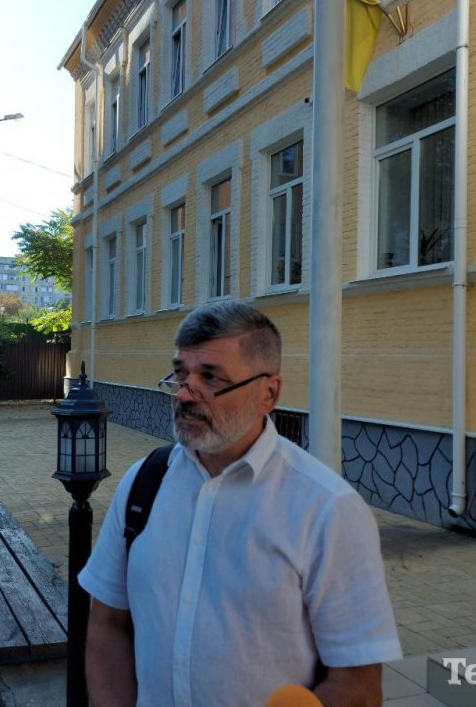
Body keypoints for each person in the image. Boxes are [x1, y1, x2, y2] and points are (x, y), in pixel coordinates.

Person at [79, 300, 401, 706]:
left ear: (269, 393)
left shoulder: (327, 509)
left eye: (210, 377)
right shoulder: (144, 483)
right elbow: (107, 625)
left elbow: (358, 686)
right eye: (180, 373)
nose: (184, 394)